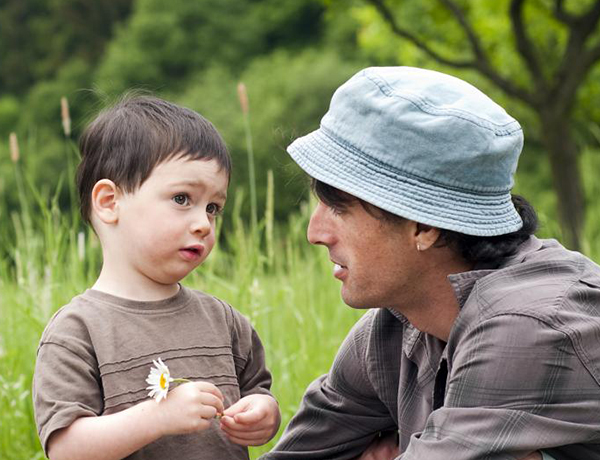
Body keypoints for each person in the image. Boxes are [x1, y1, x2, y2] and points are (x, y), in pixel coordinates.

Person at [261, 67, 600, 460]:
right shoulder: (394, 326)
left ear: (423, 225)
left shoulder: (529, 326)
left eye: (338, 206)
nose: (315, 232)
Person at [33, 96, 281, 460]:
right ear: (108, 202)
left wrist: (263, 413)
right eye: (182, 198)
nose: (203, 223)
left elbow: (257, 391)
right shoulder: (77, 332)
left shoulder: (224, 321)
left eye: (213, 207)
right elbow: (67, 449)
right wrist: (157, 417)